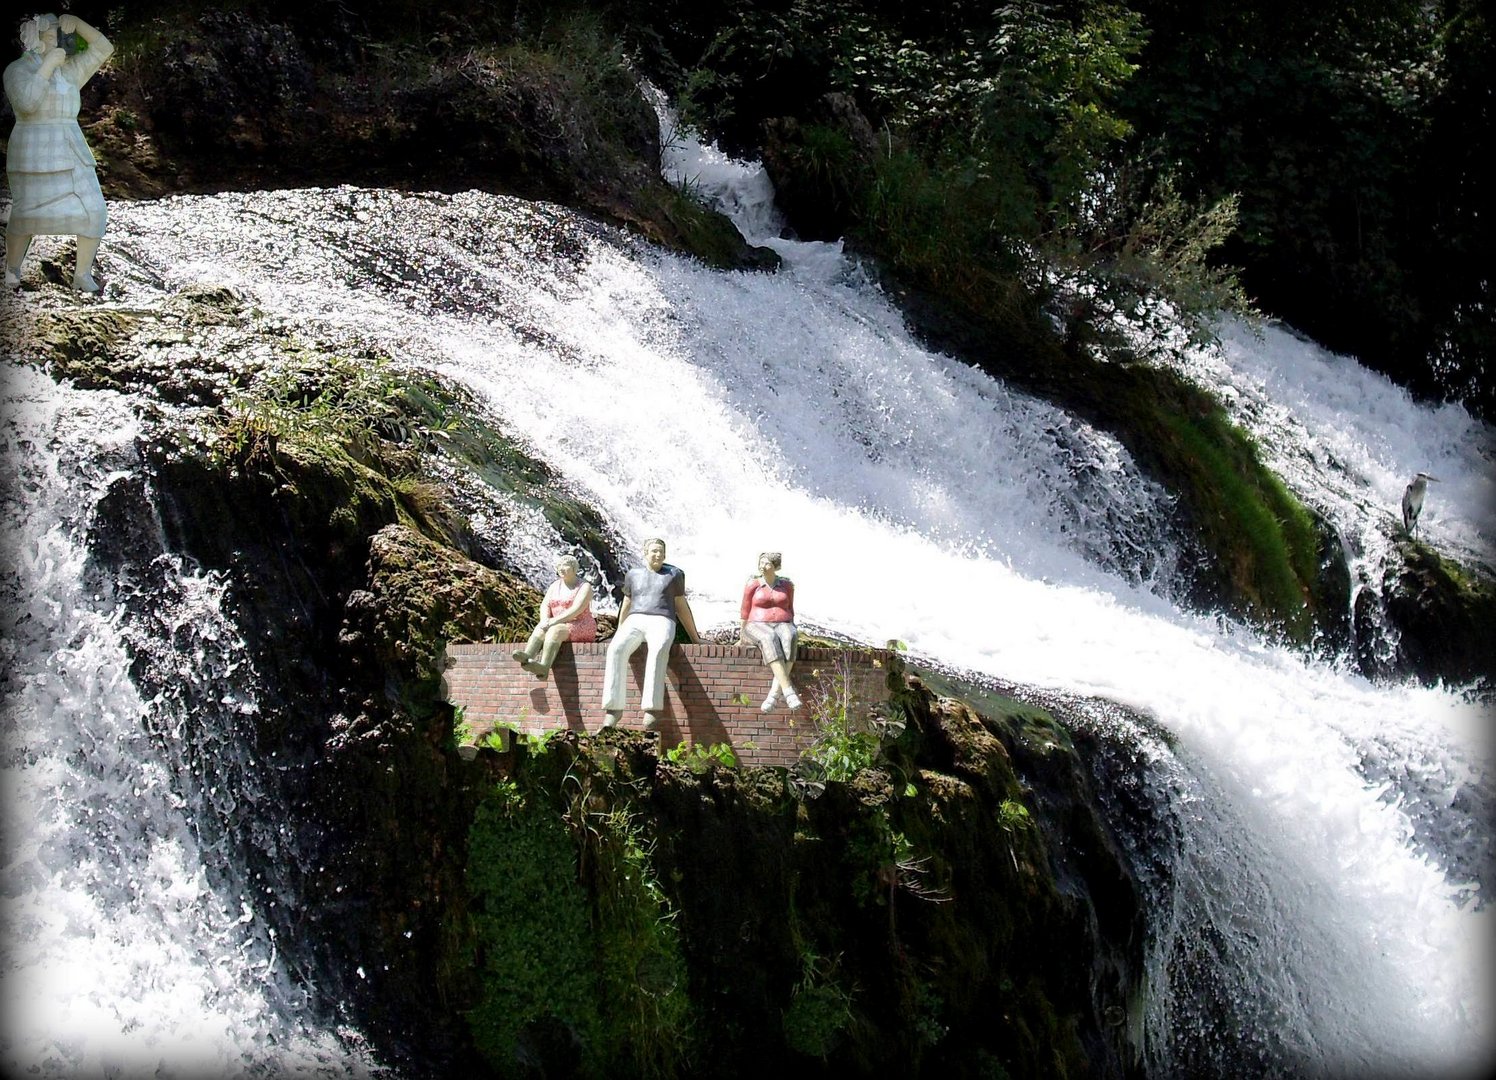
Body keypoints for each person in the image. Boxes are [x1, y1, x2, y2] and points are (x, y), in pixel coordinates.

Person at [5, 13, 114, 292]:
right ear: (35, 40)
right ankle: (12, 269)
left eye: (60, 35)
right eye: (53, 36)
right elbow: (27, 103)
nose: (60, 42)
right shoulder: (17, 70)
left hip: (70, 148)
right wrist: (47, 66)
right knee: (25, 214)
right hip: (33, 150)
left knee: (94, 208)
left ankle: (82, 274)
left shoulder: (69, 71)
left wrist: (78, 24)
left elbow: (103, 48)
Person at [601, 537, 699, 729]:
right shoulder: (633, 574)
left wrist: (695, 637)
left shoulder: (674, 574)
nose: (658, 555)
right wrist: (620, 629)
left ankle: (651, 711)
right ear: (645, 553)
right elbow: (627, 604)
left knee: (659, 647)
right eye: (654, 551)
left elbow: (681, 606)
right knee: (616, 649)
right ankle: (613, 712)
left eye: (661, 552)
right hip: (635, 618)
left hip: (662, 618)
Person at [512, 554, 596, 679]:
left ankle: (544, 667)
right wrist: (545, 620)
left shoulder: (585, 587)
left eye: (565, 565)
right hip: (557, 622)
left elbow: (576, 610)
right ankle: (527, 655)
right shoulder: (555, 585)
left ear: (574, 568)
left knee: (554, 631)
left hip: (580, 624)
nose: (562, 569)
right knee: (541, 628)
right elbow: (545, 605)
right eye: (559, 566)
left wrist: (553, 621)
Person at [737, 551, 801, 711]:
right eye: (760, 563)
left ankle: (774, 694)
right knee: (769, 637)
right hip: (756, 624)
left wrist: (791, 625)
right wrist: (742, 635)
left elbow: (790, 608)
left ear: (775, 567)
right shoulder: (753, 584)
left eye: (766, 563)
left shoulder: (787, 585)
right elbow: (744, 611)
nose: (762, 566)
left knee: (790, 635)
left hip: (783, 622)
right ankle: (788, 691)